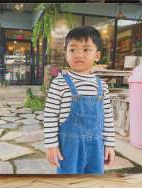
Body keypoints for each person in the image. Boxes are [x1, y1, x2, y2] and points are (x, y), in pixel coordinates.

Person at [44, 26, 116, 174]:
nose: (79, 55)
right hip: (69, 147)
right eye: (72, 50)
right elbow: (50, 115)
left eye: (86, 50)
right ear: (66, 54)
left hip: (97, 146)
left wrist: (110, 145)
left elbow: (108, 117)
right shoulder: (59, 82)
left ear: (97, 56)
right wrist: (51, 145)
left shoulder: (102, 86)